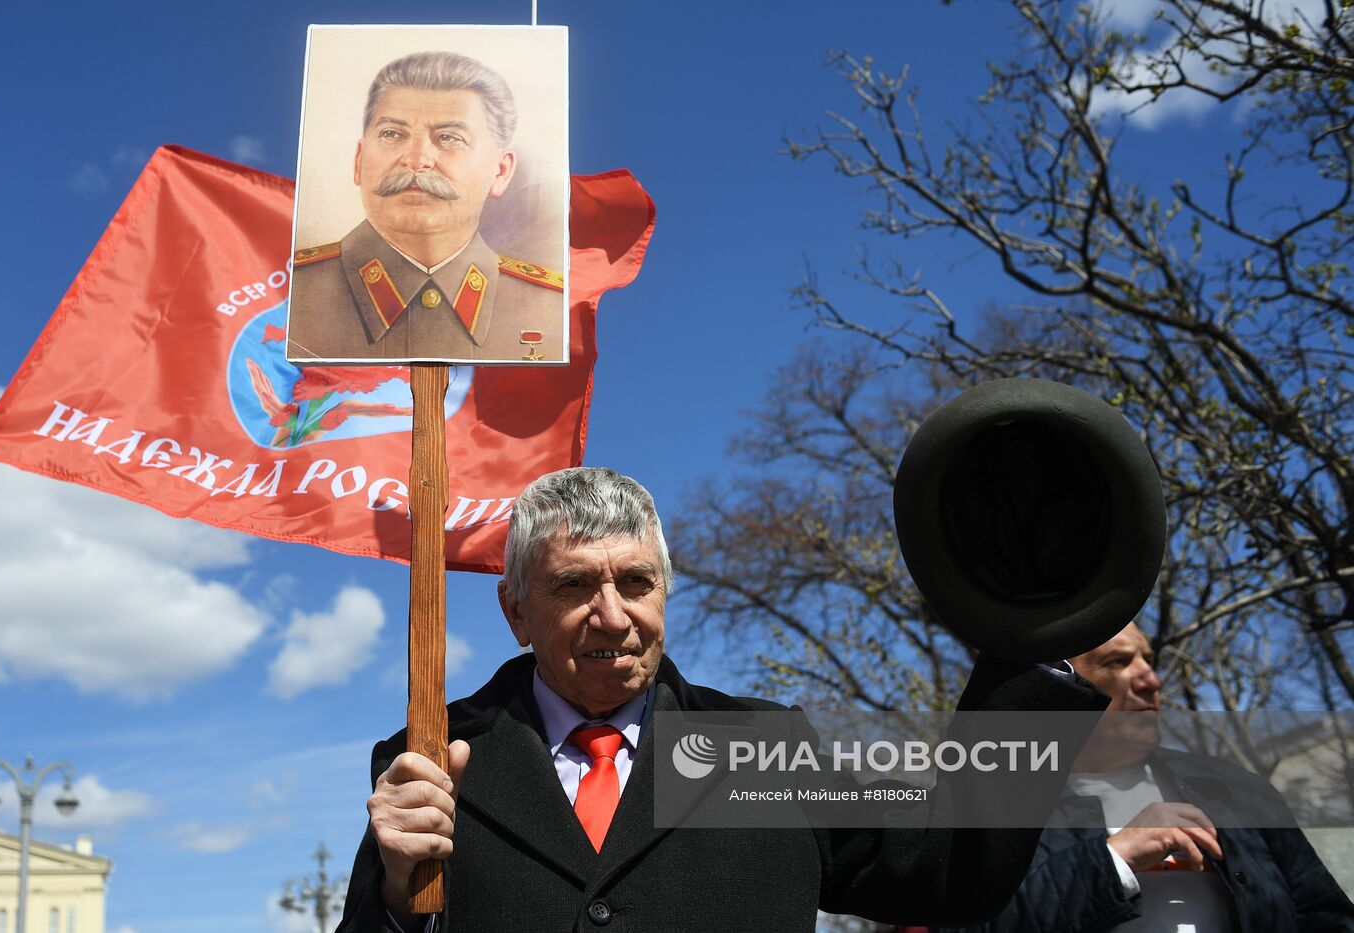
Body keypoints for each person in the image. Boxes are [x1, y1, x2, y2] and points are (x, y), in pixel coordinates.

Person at [337, 466, 1111, 932]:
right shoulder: (433, 758)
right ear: (515, 612)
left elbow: (949, 867)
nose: (614, 614)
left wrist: (1031, 633)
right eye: (574, 584)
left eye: (636, 582)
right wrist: (399, 902)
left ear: (665, 593)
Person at [937, 622, 1354, 933]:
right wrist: (1114, 861)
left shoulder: (1235, 789)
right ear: (1060, 690)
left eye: (1149, 661)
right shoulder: (999, 806)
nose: (1151, 681)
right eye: (1117, 662)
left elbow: (1325, 914)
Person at [287, 51, 565, 364]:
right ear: (359, 162)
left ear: (499, 172)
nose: (416, 159)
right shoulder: (288, 296)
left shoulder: (554, 310)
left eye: (449, 137)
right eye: (392, 134)